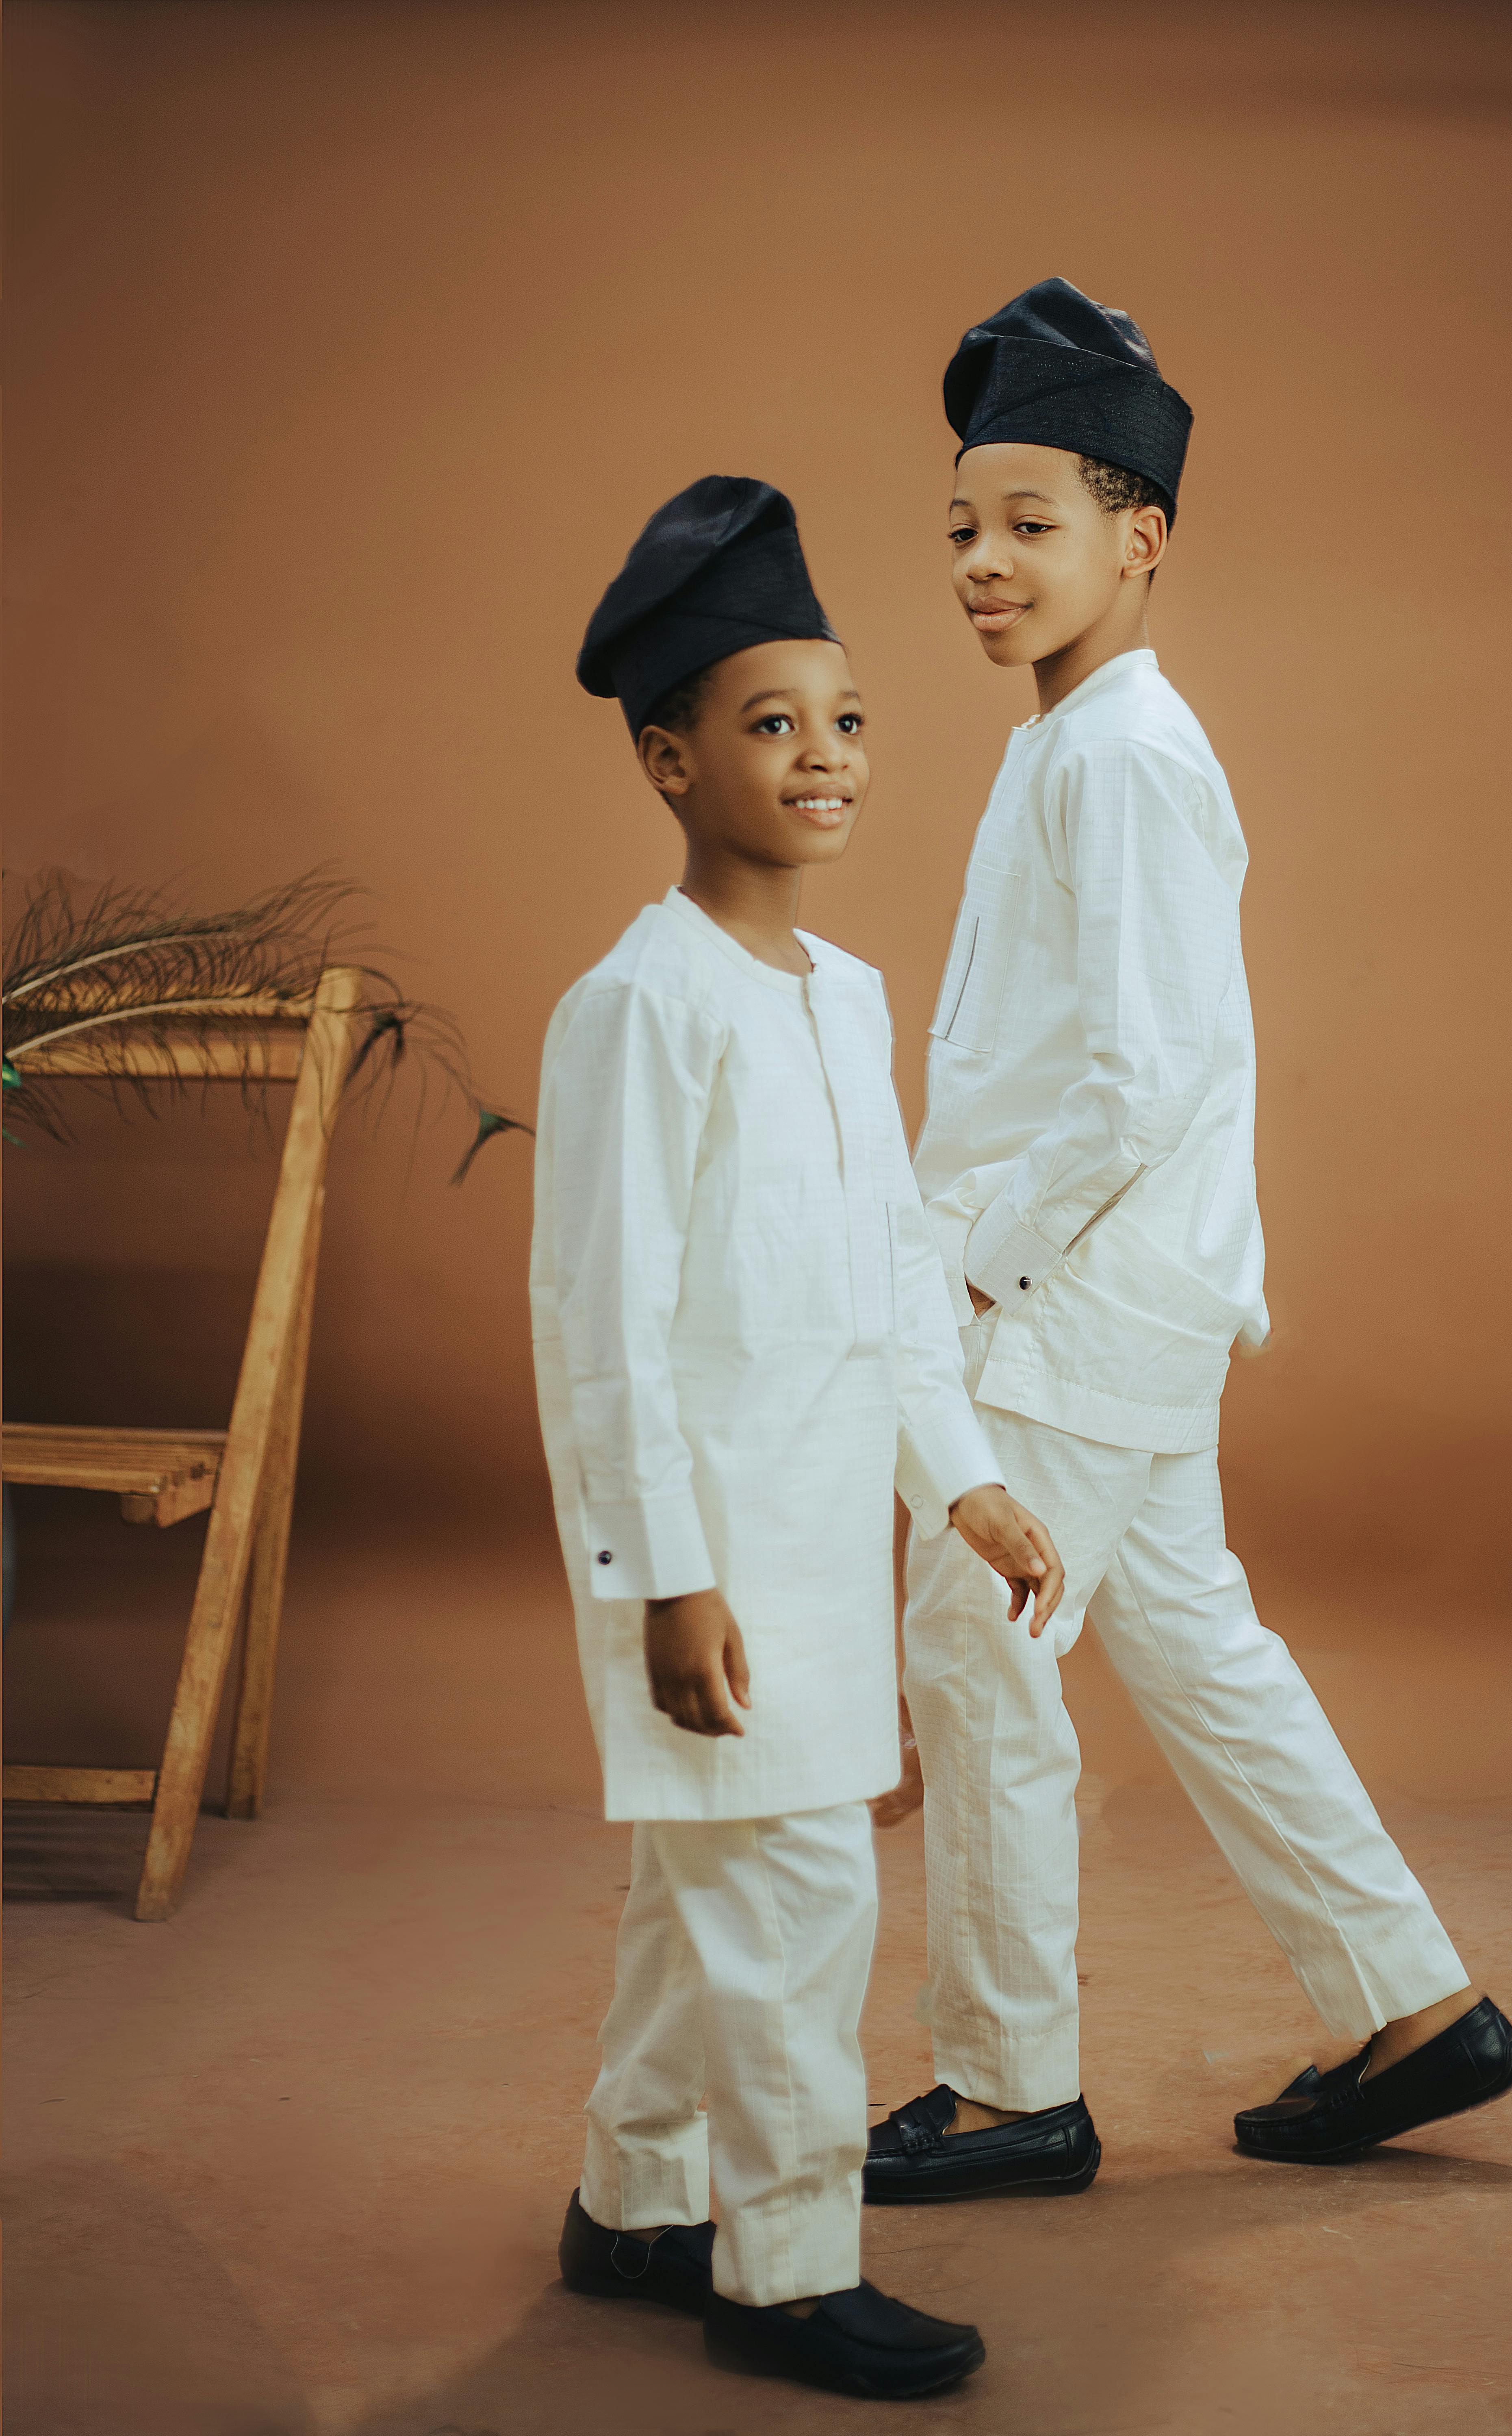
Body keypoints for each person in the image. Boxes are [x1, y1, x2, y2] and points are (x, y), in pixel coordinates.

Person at [863, 281, 1512, 2205]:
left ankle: (1006, 2088)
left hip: (1072, 1292)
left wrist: (976, 1261)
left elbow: (1141, 1078)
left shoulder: (1126, 758)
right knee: (1188, 1635)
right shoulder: (1076, 742)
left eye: (1030, 526)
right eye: (962, 532)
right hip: (1122, 1289)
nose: (984, 565)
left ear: (1137, 536)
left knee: (974, 1641)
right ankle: (1416, 2004)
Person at [532, 475, 1065, 2393]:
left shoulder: (847, 997)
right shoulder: (635, 1008)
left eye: (845, 718)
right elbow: (600, 1325)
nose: (824, 756)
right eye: (771, 723)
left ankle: (629, 2198)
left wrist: (972, 1478)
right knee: (795, 1900)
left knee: (717, 1893)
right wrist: (663, 1578)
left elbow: (895, 1286)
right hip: (712, 1560)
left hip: (830, 1533)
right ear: (671, 760)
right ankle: (779, 2263)